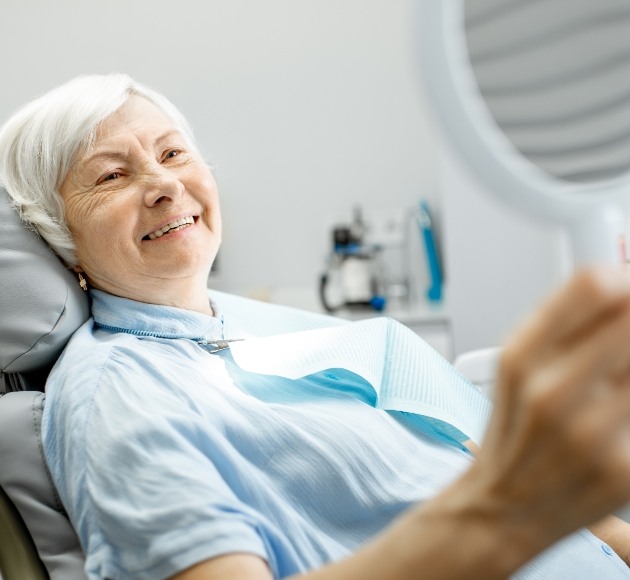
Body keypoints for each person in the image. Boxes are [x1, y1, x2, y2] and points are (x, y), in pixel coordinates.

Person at [2, 74, 630, 580]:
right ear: (60, 238)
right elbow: (517, 494)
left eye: (173, 153)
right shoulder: (116, 395)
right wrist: (507, 510)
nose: (164, 183)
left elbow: (570, 509)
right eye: (112, 176)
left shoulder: (304, 334)